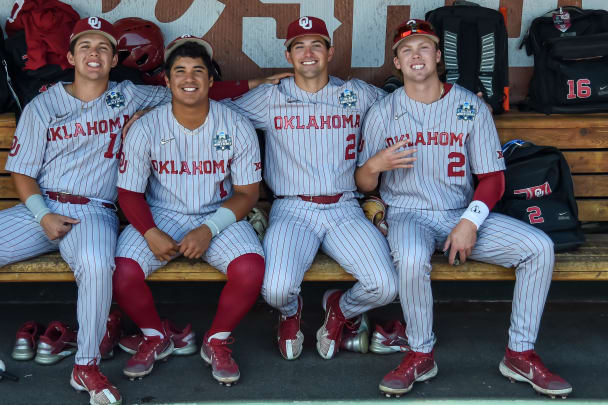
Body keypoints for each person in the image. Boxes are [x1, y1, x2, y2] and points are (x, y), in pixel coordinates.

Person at [0, 17, 176, 405]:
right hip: (40, 207)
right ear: (70, 56)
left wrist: (147, 117)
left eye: (103, 48)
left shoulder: (128, 95)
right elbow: (23, 174)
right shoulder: (43, 105)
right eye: (85, 47)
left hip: (93, 212)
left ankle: (86, 366)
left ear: (113, 60)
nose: (94, 54)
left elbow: (187, 95)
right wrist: (42, 214)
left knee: (97, 263)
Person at [355, 19, 572, 398]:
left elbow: (493, 179)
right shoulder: (381, 112)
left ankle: (520, 353)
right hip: (407, 212)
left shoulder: (471, 107)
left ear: (438, 56)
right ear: (397, 62)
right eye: (406, 50)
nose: (416, 55)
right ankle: (421, 352)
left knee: (538, 247)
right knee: (409, 258)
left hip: (460, 210)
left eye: (424, 47)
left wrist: (470, 223)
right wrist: (373, 166)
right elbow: (363, 184)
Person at [222, 16, 399, 361]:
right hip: (292, 209)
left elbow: (403, 105)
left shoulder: (356, 93)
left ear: (330, 52)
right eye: (299, 46)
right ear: (288, 55)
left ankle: (340, 308)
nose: (308, 53)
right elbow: (206, 107)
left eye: (316, 44)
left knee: (385, 286)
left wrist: (465, 101)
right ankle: (290, 311)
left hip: (344, 208)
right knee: (274, 290)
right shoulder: (269, 97)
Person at [112, 36, 265, 386]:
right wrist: (149, 231)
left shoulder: (235, 124)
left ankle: (217, 340)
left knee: (250, 268)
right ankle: (155, 336)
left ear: (212, 80)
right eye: (179, 71)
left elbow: (246, 193)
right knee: (122, 272)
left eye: (198, 70)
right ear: (166, 80)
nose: (189, 78)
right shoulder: (147, 125)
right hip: (161, 212)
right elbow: (129, 192)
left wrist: (209, 229)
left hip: (218, 212)